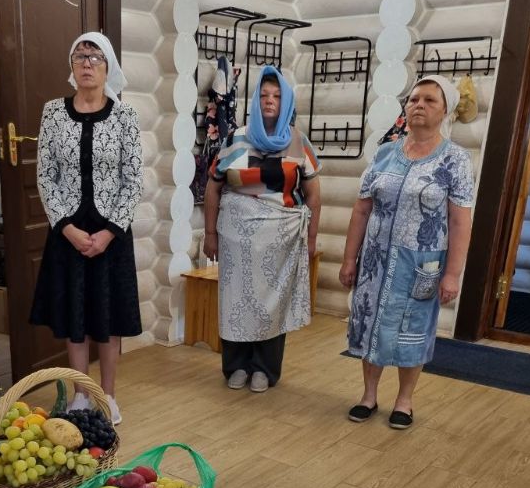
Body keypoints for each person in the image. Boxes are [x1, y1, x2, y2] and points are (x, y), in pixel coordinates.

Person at [339, 75, 474, 429]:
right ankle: (368, 395)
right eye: (414, 99)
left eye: (430, 100)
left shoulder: (456, 160)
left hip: (420, 264)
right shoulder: (385, 153)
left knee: (412, 331)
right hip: (375, 262)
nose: (419, 106)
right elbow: (361, 210)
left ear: (445, 110)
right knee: (370, 325)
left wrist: (452, 274)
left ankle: (404, 401)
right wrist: (349, 259)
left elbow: (460, 221)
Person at [30, 32, 143, 425]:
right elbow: (46, 175)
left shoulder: (126, 117)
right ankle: (80, 394)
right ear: (72, 65)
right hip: (68, 234)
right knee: (75, 317)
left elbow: (133, 179)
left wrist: (109, 232)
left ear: (108, 67)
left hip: (112, 234)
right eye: (80, 56)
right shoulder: (53, 113)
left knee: (108, 318)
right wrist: (67, 227)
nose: (87, 64)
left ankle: (107, 396)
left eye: (95, 57)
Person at [203, 66, 321, 393]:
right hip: (235, 236)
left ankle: (264, 368)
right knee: (235, 300)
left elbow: (313, 195)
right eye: (264, 95)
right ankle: (236, 366)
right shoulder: (235, 138)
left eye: (277, 96)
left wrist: (311, 239)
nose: (270, 101)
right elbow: (213, 187)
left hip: (280, 239)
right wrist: (210, 234)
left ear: (286, 102)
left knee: (271, 303)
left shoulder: (298, 142)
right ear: (256, 101)